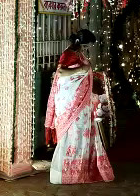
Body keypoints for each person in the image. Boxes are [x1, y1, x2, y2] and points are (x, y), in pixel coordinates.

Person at [44, 29, 115, 184]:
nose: (88, 48)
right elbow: (61, 72)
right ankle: (67, 173)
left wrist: (93, 74)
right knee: (74, 134)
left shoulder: (78, 54)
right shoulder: (68, 53)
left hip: (82, 102)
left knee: (83, 134)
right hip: (70, 103)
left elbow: (82, 73)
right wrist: (82, 70)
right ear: (82, 43)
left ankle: (81, 171)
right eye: (88, 45)